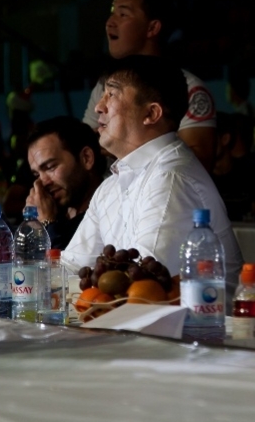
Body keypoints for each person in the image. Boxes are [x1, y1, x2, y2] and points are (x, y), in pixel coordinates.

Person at [63, 55, 243, 296]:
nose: (99, 107)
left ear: (151, 113)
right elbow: (71, 268)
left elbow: (141, 287)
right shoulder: (111, 185)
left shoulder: (171, 179)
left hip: (198, 320)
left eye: (112, 94)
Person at [82, 0, 217, 171]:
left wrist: (124, 146)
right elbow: (85, 142)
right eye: (112, 13)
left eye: (123, 14)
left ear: (152, 28)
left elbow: (198, 163)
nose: (110, 22)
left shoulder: (189, 89)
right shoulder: (103, 85)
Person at [25, 117, 105, 250]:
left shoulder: (107, 213)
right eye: (37, 175)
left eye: (50, 167)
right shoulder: (58, 215)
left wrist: (46, 224)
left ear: (86, 158)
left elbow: (68, 262)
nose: (42, 183)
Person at [211, 112, 255, 222]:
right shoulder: (199, 175)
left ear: (225, 139)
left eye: (207, 137)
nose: (201, 143)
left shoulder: (253, 172)